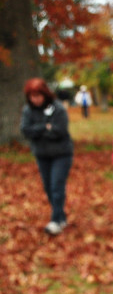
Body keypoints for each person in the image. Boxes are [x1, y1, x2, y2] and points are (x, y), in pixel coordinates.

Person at [20, 78, 74, 235]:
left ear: (44, 94)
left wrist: (40, 132)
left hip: (61, 154)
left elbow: (60, 131)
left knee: (57, 186)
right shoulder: (28, 110)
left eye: (38, 95)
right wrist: (45, 127)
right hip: (42, 154)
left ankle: (55, 221)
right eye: (32, 96)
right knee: (48, 187)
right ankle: (61, 216)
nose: (35, 99)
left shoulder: (58, 109)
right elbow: (26, 130)